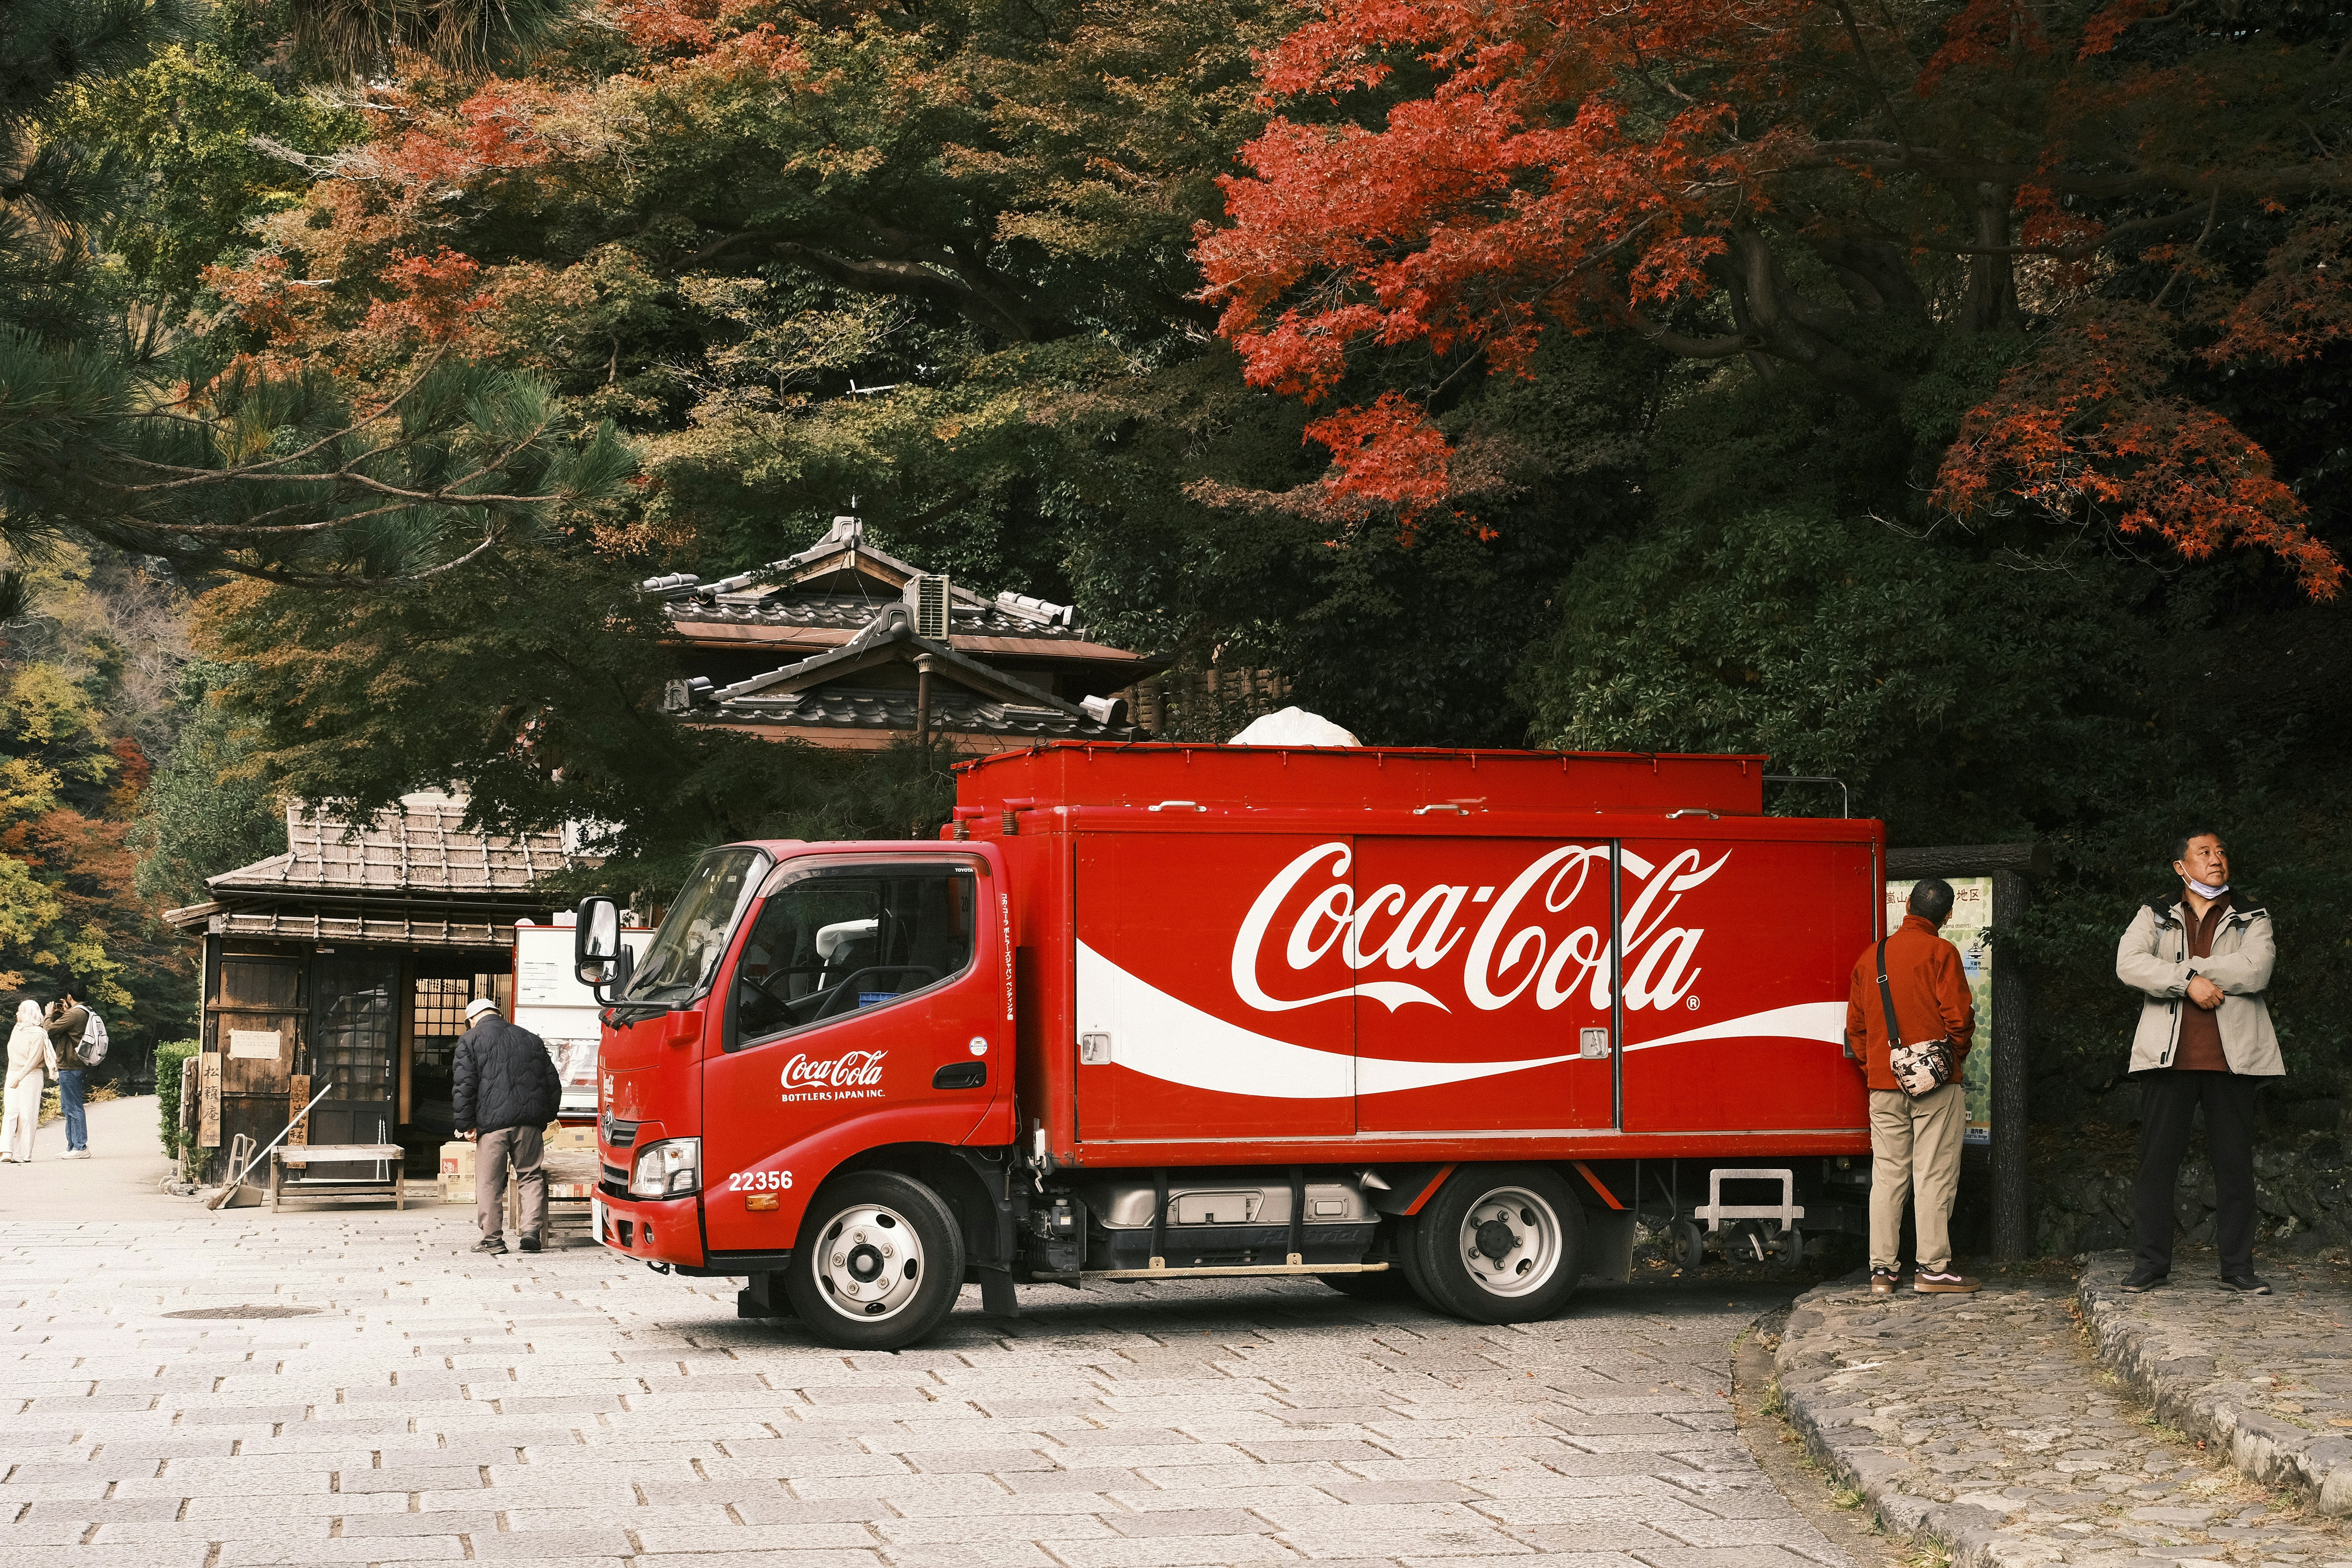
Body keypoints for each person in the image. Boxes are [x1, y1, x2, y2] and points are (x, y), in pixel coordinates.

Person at [2116, 831, 2281, 1294]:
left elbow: (2257, 969)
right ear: (2181, 866)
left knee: (2235, 1167)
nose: (2216, 859)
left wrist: (2189, 969)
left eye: (2221, 851)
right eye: (2204, 852)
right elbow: (2129, 963)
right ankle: (2151, 1264)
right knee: (2156, 1165)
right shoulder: (2155, 913)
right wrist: (2187, 983)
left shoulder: (2251, 914)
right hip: (2167, 1059)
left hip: (2233, 1059)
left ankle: (2238, 1267)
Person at [1846, 877, 1980, 1295]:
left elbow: (1856, 1029)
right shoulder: (1942, 952)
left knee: (1887, 1176)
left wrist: (1878, 1069)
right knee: (1934, 1174)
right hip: (1936, 1087)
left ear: (1907, 905)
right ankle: (1933, 1269)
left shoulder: (1871, 957)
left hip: (1884, 1087)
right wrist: (1950, 1059)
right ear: (1948, 915)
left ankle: (1882, 1273)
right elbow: (1959, 1017)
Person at [451, 997, 561, 1256]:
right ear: (497, 1014)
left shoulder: (470, 1039)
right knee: (531, 1176)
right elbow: (553, 1083)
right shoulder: (530, 1038)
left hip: (492, 1126)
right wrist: (544, 1118)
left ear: (472, 1020)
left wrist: (466, 1124)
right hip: (529, 1124)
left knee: (490, 1182)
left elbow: (464, 1086)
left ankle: (493, 1240)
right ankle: (531, 1232)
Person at [42, 991, 91, 1158]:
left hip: (71, 1066)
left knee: (74, 1108)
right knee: (68, 1107)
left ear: (70, 997)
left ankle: (81, 1147)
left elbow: (49, 1030)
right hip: (74, 1065)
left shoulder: (75, 1014)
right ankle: (72, 1146)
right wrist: (65, 1012)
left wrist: (48, 1015)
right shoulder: (84, 1011)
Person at [4, 1000, 48, 1163]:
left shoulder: (38, 1034)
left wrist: (20, 1077)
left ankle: (24, 1154)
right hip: (13, 1072)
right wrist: (13, 1075)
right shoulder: (17, 1029)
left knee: (27, 1114)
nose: (17, 1014)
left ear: (29, 1014)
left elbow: (33, 1061)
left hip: (31, 1076)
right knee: (10, 1112)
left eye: (20, 1011)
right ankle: (6, 1151)